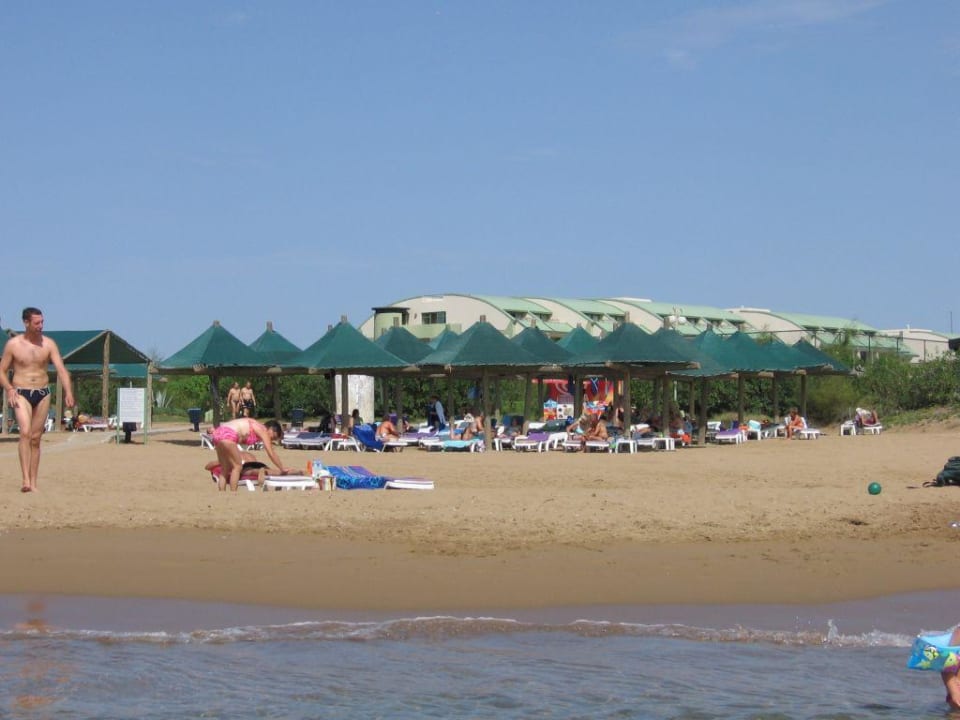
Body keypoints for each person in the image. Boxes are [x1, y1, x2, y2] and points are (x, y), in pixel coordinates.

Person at [0, 307, 75, 493]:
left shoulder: (48, 344)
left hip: (43, 393)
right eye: (37, 323)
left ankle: (33, 483)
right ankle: (25, 480)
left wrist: (68, 392)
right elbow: (1, 370)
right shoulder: (13, 345)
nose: (41, 326)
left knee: (35, 438)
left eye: (42, 322)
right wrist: (9, 388)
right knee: (25, 432)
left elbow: (61, 369)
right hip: (21, 392)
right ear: (26, 323)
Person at [210, 417, 291, 492]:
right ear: (271, 429)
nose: (271, 439)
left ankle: (222, 493)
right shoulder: (263, 430)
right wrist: (281, 468)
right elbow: (271, 453)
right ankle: (233, 493)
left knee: (225, 468)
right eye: (273, 437)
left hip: (218, 433)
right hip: (228, 434)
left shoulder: (255, 424)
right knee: (237, 467)